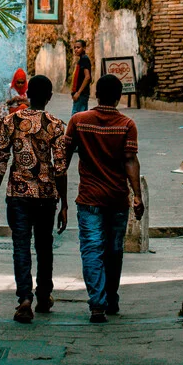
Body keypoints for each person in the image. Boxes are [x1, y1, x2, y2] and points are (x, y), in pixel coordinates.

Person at [0, 74, 68, 324]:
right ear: (50, 97)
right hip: (46, 195)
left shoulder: (11, 121)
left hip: (17, 195)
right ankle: (44, 295)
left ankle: (24, 300)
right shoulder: (55, 124)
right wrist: (64, 203)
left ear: (27, 95)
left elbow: (0, 162)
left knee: (21, 246)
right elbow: (60, 167)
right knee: (44, 246)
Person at [65, 73, 144, 324]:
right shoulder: (127, 124)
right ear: (119, 97)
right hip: (117, 199)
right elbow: (130, 160)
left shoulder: (78, 121)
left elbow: (63, 159)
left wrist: (58, 194)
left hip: (89, 199)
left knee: (91, 249)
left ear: (96, 94)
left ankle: (97, 304)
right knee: (114, 250)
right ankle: (110, 297)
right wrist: (138, 196)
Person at [70, 39, 92, 115]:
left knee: (76, 116)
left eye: (78, 47)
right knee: (82, 116)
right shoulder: (82, 59)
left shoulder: (84, 60)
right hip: (81, 94)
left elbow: (87, 77)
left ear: (84, 48)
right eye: (75, 48)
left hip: (82, 94)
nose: (76, 49)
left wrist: (78, 93)